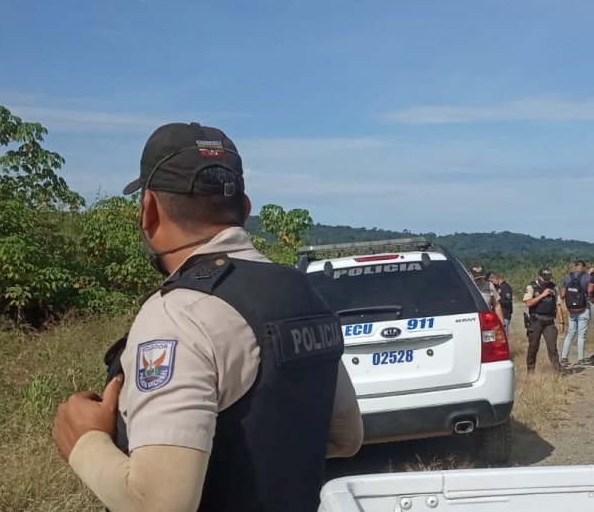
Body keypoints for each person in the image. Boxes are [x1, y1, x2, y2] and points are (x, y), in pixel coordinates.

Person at [51, 123, 363, 512]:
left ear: (148, 210)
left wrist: (83, 440)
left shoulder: (179, 315)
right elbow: (347, 437)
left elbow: (159, 504)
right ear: (244, 210)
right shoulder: (304, 293)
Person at [523, 268, 563, 373]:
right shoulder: (531, 287)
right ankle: (530, 371)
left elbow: (558, 305)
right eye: (544, 279)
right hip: (536, 320)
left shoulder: (553, 288)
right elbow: (528, 303)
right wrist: (542, 295)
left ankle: (556, 371)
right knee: (533, 346)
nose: (546, 281)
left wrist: (561, 322)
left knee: (552, 347)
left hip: (549, 321)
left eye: (548, 279)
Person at [560, 260, 591, 367]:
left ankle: (564, 358)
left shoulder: (567, 277)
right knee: (581, 335)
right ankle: (580, 359)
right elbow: (590, 291)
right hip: (583, 308)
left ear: (575, 266)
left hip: (571, 310)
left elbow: (563, 295)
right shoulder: (587, 277)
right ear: (584, 267)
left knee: (570, 334)